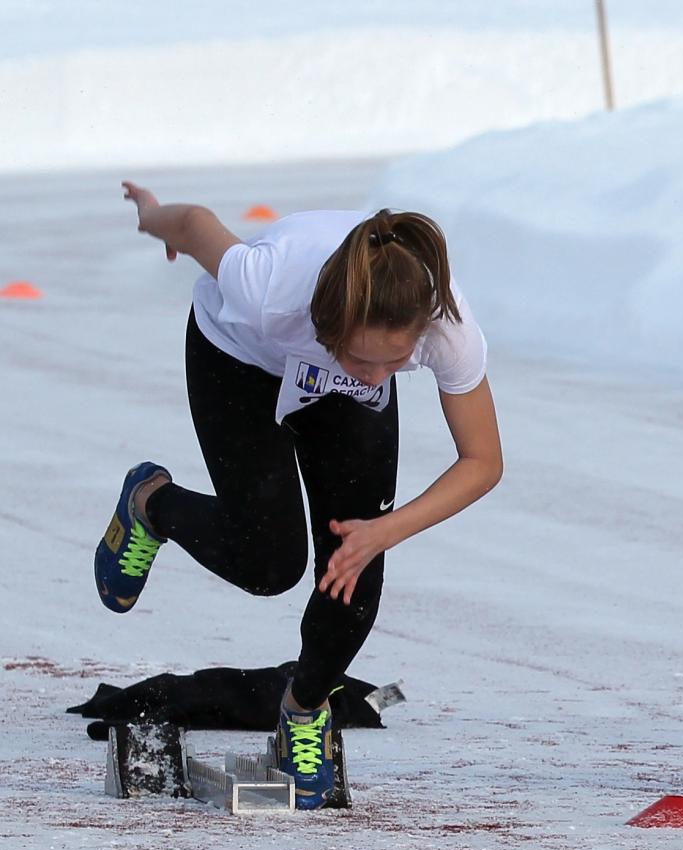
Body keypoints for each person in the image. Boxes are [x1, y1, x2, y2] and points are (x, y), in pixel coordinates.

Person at [98, 184, 503, 809]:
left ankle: (304, 709)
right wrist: (154, 218)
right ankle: (152, 504)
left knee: (354, 572)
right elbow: (197, 222)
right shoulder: (268, 286)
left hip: (336, 393)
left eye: (397, 362)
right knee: (268, 564)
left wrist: (383, 531)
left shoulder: (444, 327)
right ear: (330, 322)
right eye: (364, 360)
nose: (379, 376)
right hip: (239, 358)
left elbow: (483, 461)